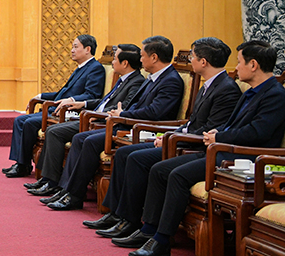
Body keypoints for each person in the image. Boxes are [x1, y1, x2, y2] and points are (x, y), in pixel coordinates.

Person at [128, 40, 285, 256]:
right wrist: (215, 133)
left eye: (239, 62)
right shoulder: (252, 91)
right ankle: (149, 230)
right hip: (222, 150)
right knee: (160, 169)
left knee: (178, 175)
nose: (236, 68)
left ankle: (162, 241)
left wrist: (219, 137)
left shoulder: (275, 94)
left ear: (253, 65)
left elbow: (258, 132)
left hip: (243, 157)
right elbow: (232, 124)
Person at [87, 37, 240, 242]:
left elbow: (210, 130)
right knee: (125, 153)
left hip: (195, 147)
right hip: (182, 139)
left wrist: (172, 137)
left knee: (137, 158)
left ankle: (136, 223)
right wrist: (171, 135)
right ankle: (120, 216)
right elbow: (192, 122)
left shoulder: (227, 89)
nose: (191, 61)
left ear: (203, 62)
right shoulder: (209, 85)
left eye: (193, 57)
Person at [46, 35, 184, 211]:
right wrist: (121, 114)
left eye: (142, 56)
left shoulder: (170, 80)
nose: (140, 60)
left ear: (154, 57)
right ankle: (68, 192)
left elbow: (156, 112)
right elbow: (135, 104)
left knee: (88, 141)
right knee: (81, 138)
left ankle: (75, 196)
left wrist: (123, 114)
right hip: (127, 124)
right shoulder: (152, 77)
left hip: (145, 130)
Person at [26, 44, 145, 197]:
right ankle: (49, 180)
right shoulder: (123, 79)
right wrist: (84, 104)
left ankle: (54, 183)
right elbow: (105, 101)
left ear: (125, 63)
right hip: (92, 116)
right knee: (53, 130)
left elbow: (123, 109)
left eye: (115, 59)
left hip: (101, 122)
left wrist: (98, 113)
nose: (112, 62)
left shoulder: (136, 82)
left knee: (57, 132)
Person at [3, 34, 106, 178]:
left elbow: (92, 95)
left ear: (88, 49)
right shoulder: (81, 68)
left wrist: (71, 99)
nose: (71, 50)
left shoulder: (95, 68)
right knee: (20, 120)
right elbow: (62, 92)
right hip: (57, 109)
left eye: (75, 47)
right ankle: (22, 163)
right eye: (72, 47)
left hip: (70, 112)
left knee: (29, 123)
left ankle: (23, 165)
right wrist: (40, 96)